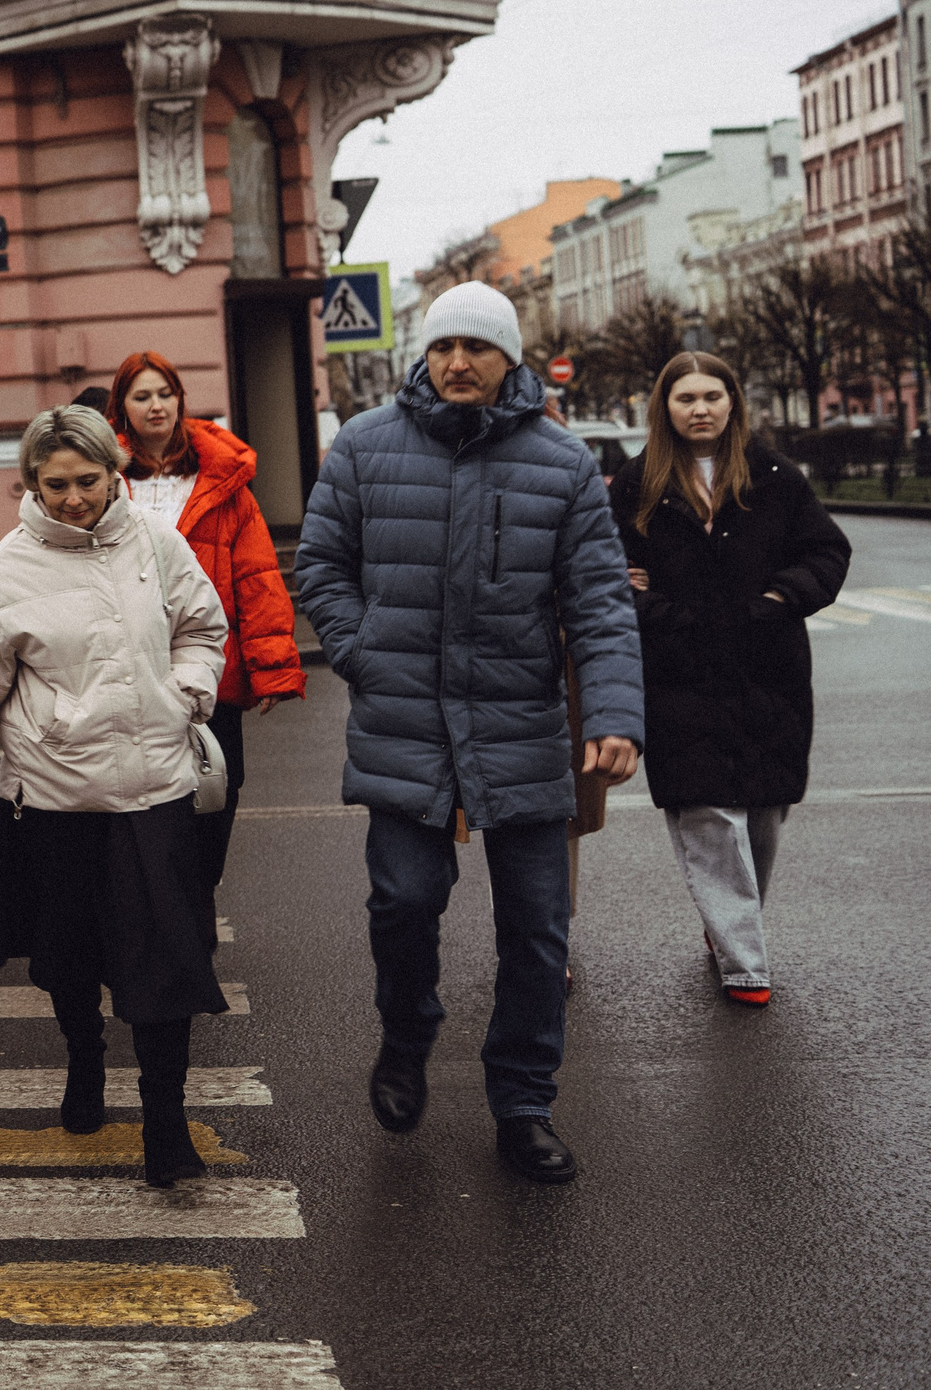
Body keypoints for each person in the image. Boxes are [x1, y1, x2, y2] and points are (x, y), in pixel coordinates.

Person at [295, 280, 643, 1186]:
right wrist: (362, 650)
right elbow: (323, 564)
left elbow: (600, 602)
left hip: (520, 721)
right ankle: (407, 1034)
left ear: (509, 359)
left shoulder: (562, 463)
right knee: (404, 901)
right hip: (405, 717)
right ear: (424, 354)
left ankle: (524, 1102)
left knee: (538, 927)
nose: (457, 362)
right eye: (443, 346)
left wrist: (610, 713)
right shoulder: (366, 446)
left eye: (477, 348)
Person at [0, 404, 231, 1189]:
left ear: (114, 472)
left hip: (155, 793)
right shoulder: (10, 567)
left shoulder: (156, 540)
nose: (74, 497)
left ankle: (166, 1123)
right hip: (54, 801)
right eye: (55, 485)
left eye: (87, 480)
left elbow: (203, 625)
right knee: (73, 961)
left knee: (161, 970)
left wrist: (187, 689)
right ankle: (85, 1058)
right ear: (32, 485)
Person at [610, 351, 849, 1007]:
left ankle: (726, 925)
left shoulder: (774, 475)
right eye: (685, 397)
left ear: (732, 401)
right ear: (665, 408)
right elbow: (607, 569)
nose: (700, 408)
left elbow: (827, 551)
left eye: (711, 395)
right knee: (709, 811)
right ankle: (746, 963)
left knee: (765, 813)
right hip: (680, 672)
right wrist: (657, 611)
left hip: (767, 669)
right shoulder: (638, 482)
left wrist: (779, 600)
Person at [106, 351, 306, 949]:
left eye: (165, 393)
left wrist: (272, 669)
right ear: (123, 408)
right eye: (142, 396)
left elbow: (256, 575)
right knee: (144, 799)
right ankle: (167, 915)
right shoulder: (105, 479)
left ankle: (196, 894)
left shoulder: (222, 480)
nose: (156, 406)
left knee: (218, 790)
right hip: (133, 666)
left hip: (211, 667)